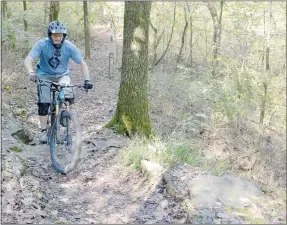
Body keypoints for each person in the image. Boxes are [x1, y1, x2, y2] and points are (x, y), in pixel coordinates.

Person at [24, 21, 93, 143]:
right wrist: (31, 72)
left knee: (68, 94)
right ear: (50, 35)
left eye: (60, 35)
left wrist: (87, 79)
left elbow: (82, 63)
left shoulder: (69, 46)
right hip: (44, 75)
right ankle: (44, 131)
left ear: (64, 36)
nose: (58, 38)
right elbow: (29, 59)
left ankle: (62, 112)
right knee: (44, 103)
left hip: (62, 75)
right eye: (55, 35)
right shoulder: (42, 44)